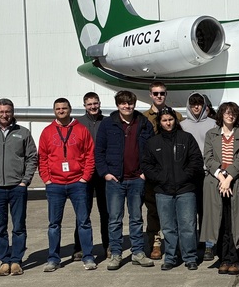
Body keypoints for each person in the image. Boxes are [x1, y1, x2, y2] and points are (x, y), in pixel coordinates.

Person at [0, 98, 38, 276]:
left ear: (13, 113)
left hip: (17, 187)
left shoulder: (23, 132)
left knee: (19, 226)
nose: (5, 115)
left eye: (8, 111)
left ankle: (17, 261)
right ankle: (4, 260)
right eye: (1, 112)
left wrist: (24, 181)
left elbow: (32, 157)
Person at [95, 90, 155, 270]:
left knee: (136, 218)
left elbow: (151, 150)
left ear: (134, 104)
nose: (127, 106)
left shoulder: (143, 123)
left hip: (137, 178)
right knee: (114, 219)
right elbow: (99, 151)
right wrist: (105, 173)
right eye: (123, 103)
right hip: (115, 180)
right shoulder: (107, 124)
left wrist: (145, 172)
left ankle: (137, 252)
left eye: (129, 103)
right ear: (117, 105)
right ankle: (115, 253)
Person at [39, 96, 97, 272]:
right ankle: (53, 258)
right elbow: (42, 157)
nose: (61, 111)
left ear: (70, 109)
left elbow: (89, 155)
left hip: (77, 183)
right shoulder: (47, 131)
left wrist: (85, 177)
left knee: (84, 222)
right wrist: (47, 179)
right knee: (54, 224)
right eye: (58, 109)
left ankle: (87, 256)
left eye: (64, 108)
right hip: (55, 184)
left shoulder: (81, 130)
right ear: (54, 111)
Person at [141, 109, 203, 270]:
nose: (168, 123)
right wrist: (160, 177)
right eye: (164, 120)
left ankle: (190, 257)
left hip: (186, 189)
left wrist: (185, 175)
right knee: (168, 227)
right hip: (163, 191)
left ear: (175, 120)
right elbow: (147, 164)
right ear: (159, 123)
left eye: (170, 119)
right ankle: (170, 257)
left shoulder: (186, 138)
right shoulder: (153, 142)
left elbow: (196, 160)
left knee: (188, 225)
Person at [201, 102, 239, 275]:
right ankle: (223, 258)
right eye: (226, 113)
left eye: (233, 113)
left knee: (236, 222)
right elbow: (208, 158)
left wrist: (229, 177)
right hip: (216, 182)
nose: (230, 116)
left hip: (237, 182)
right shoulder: (211, 135)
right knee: (221, 221)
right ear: (221, 115)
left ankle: (235, 259)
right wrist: (221, 176)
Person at [143, 81, 183, 260]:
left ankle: (175, 243)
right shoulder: (143, 118)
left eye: (162, 93)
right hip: (154, 171)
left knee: (174, 209)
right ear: (150, 95)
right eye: (156, 93)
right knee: (154, 209)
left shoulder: (177, 116)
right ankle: (156, 242)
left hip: (173, 170)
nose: (159, 96)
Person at [73, 92, 109, 262]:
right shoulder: (78, 123)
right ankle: (79, 247)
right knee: (83, 212)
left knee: (106, 212)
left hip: (102, 172)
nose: (93, 107)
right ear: (84, 106)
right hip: (84, 173)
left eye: (95, 103)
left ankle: (108, 245)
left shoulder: (107, 121)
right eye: (89, 104)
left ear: (99, 103)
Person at [182, 92, 216, 259]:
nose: (196, 107)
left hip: (208, 173)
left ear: (204, 106)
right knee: (190, 211)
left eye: (199, 104)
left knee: (207, 210)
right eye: (193, 104)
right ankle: (193, 243)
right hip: (189, 175)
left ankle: (209, 244)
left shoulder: (213, 124)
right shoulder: (182, 125)